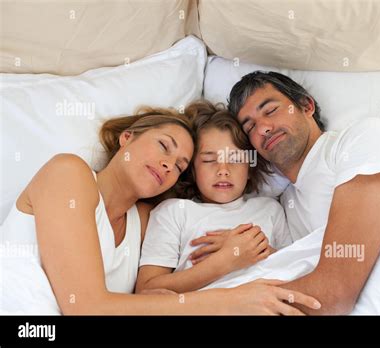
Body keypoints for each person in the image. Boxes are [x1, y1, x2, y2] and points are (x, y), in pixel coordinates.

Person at [190, 71, 380, 315]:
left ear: (306, 106)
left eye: (271, 110)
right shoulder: (283, 207)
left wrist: (202, 307)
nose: (263, 127)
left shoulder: (363, 137)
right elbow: (300, 265)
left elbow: (333, 292)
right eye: (250, 126)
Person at [0, 105, 319, 315]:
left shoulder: (143, 220)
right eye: (164, 146)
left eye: (180, 165)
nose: (169, 164)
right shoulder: (69, 172)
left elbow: (148, 298)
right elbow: (86, 307)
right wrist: (229, 300)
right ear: (127, 138)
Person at [135, 101, 292, 294]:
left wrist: (258, 250)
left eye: (235, 159)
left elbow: (295, 266)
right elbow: (146, 289)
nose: (223, 171)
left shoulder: (270, 209)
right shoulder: (174, 212)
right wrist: (225, 261)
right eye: (209, 160)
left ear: (250, 168)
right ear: (192, 170)